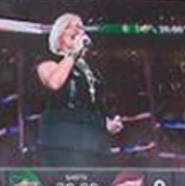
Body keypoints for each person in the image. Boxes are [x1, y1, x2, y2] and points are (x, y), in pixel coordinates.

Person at [35, 13, 123, 167]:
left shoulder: (92, 70)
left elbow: (94, 104)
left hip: (94, 143)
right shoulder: (48, 62)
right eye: (70, 26)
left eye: (80, 26)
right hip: (63, 141)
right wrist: (73, 53)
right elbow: (54, 83)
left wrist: (107, 122)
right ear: (59, 36)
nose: (77, 29)